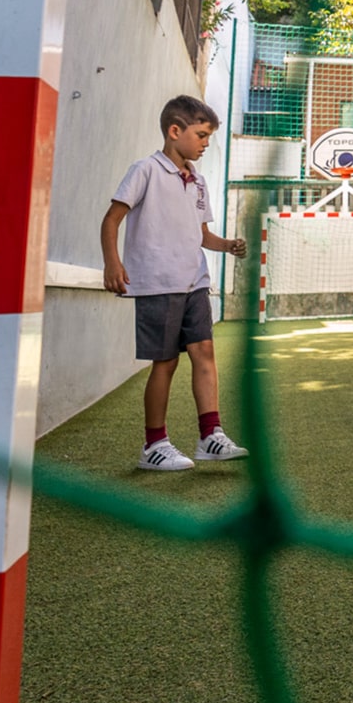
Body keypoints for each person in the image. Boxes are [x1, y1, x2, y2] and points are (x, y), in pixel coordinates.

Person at [102, 95, 250, 471]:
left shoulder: (198, 180)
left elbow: (202, 235)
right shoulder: (145, 170)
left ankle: (210, 436)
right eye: (201, 135)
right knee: (164, 362)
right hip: (156, 283)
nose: (205, 143)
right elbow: (112, 220)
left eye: (208, 137)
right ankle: (154, 445)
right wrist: (112, 264)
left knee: (205, 353)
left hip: (193, 282)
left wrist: (228, 245)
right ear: (174, 131)